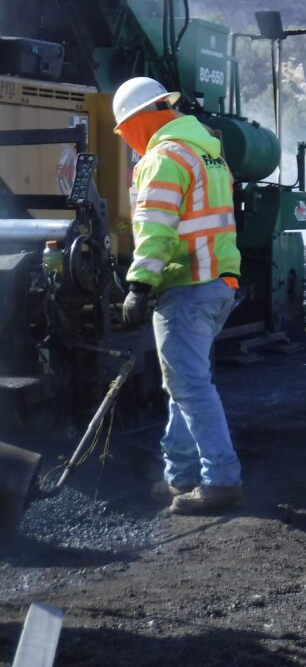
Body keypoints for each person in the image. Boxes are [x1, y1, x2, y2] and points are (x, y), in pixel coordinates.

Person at [113, 77, 244, 516]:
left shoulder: (163, 156)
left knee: (188, 383)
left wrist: (139, 286)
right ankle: (181, 475)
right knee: (184, 382)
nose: (126, 139)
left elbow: (156, 227)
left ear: (139, 119)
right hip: (219, 281)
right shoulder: (206, 149)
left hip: (188, 284)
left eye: (124, 130)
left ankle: (221, 480)